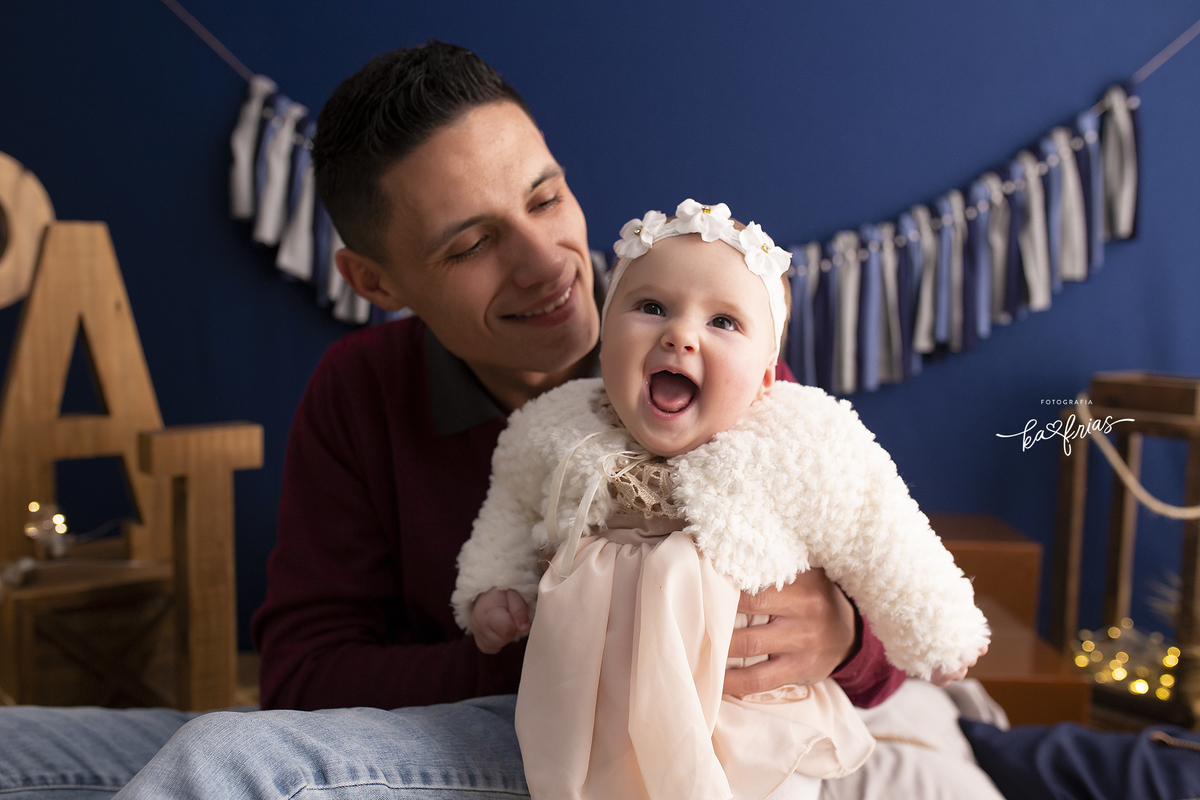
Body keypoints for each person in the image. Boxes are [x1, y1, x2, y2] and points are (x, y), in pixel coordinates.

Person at [455, 200, 989, 800]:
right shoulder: (560, 428)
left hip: (748, 722)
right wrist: (493, 588)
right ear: (605, 344)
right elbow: (511, 504)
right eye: (652, 307)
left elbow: (882, 530)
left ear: (767, 376)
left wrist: (938, 632)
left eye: (724, 322)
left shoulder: (797, 441)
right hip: (588, 720)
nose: (680, 334)